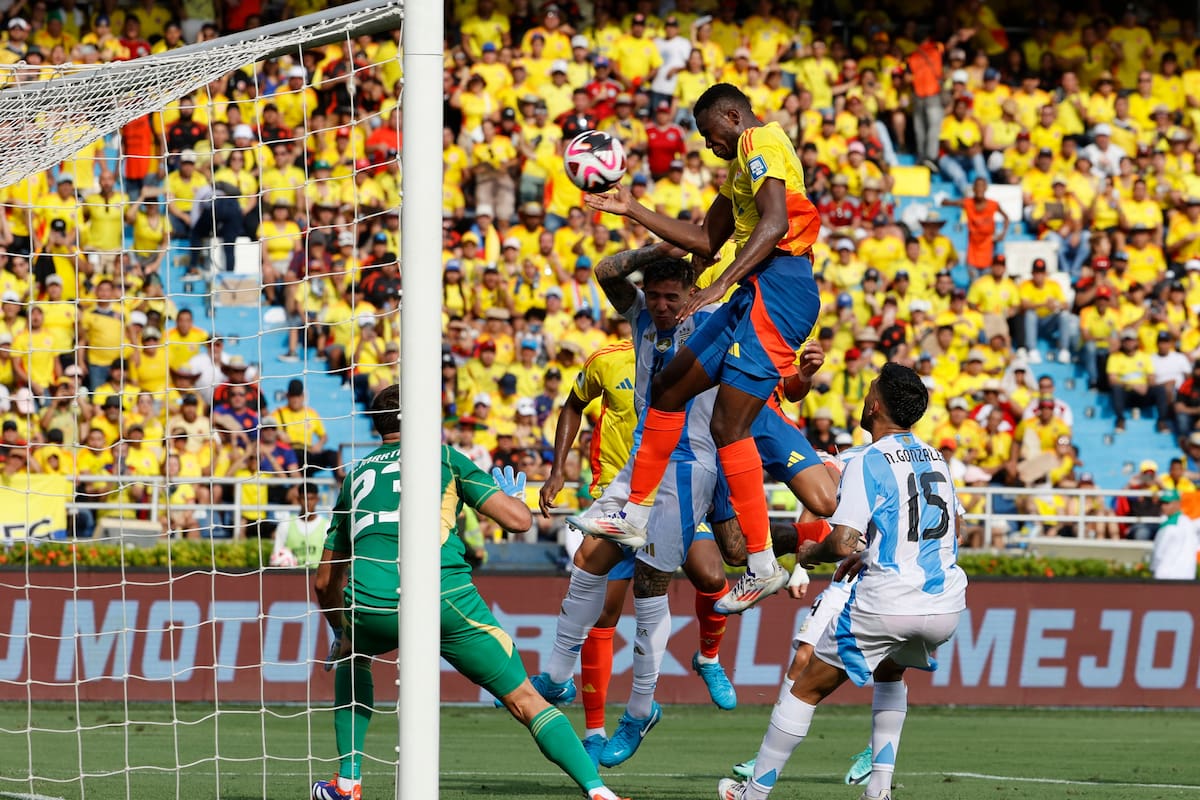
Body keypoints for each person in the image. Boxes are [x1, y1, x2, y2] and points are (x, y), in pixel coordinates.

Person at [312, 385, 629, 800]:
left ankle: (347, 782)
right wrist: (514, 500)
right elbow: (519, 522)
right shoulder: (444, 458)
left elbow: (324, 582)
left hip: (373, 605)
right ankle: (598, 791)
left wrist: (342, 631)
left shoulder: (355, 477)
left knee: (354, 656)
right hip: (445, 600)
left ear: (377, 426)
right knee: (525, 698)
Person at [577, 83, 823, 613]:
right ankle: (633, 515)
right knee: (668, 390)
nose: (710, 147)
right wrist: (633, 208)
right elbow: (706, 239)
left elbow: (776, 224)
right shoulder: (740, 172)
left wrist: (719, 285)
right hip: (752, 292)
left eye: (711, 136)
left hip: (779, 291)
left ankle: (762, 566)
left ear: (733, 116)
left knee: (728, 427)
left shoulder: (760, 141)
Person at [719, 363, 967, 800]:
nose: (865, 397)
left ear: (875, 407)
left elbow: (842, 540)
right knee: (890, 672)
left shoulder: (869, 459)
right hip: (946, 604)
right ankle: (879, 791)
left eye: (869, 391)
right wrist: (873, 551)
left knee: (805, 687)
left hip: (888, 602)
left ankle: (753, 793)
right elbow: (956, 529)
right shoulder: (936, 457)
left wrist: (808, 555)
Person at [269, 482, 330, 568]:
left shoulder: (326, 525)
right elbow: (276, 555)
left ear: (317, 499)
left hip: (316, 573)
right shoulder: (286, 524)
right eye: (304, 499)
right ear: (298, 499)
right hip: (293, 574)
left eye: (311, 499)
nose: (308, 503)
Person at [1150, 490, 1198, 580]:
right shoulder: (1188, 523)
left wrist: (1153, 569)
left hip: (1166, 576)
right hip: (1188, 575)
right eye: (1162, 503)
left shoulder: (1169, 526)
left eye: (1167, 503)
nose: (1163, 506)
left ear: (1177, 504)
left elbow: (1158, 553)